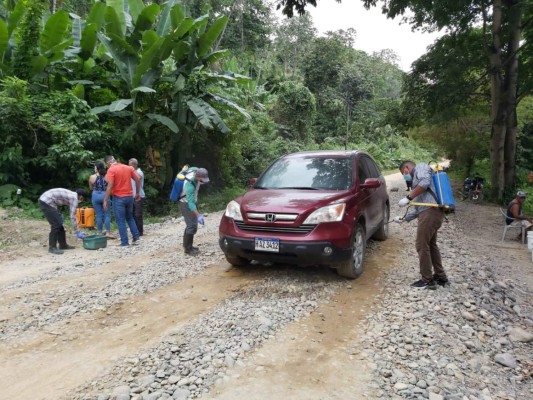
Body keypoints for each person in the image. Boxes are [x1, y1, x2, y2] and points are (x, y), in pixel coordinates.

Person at [393, 160, 449, 289]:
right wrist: (403, 218)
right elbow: (418, 208)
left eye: (404, 173)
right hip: (432, 212)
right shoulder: (416, 185)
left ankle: (427, 280)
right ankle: (441, 277)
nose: (405, 176)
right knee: (431, 245)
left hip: (430, 213)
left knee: (421, 245)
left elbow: (425, 182)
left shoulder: (420, 167)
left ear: (407, 167)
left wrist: (408, 197)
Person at [103, 155, 141, 247]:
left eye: (106, 165)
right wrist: (137, 193)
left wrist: (105, 199)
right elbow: (138, 178)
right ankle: (136, 238)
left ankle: (124, 242)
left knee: (120, 220)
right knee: (130, 217)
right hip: (129, 197)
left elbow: (110, 185)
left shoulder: (111, 170)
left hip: (119, 198)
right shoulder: (128, 168)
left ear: (108, 163)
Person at [38, 188, 88, 254]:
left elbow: (55, 200)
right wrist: (77, 231)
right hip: (46, 201)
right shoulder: (74, 199)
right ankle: (52, 247)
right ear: (81, 196)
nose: (81, 201)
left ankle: (63, 245)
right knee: (56, 224)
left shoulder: (72, 195)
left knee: (59, 223)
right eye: (82, 199)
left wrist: (57, 214)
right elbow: (73, 217)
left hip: (48, 201)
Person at [179, 167, 209, 255]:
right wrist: (198, 215)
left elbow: (191, 167)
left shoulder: (195, 170)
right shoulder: (190, 186)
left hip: (191, 201)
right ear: (197, 176)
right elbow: (191, 204)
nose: (203, 182)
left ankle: (187, 245)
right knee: (191, 226)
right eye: (202, 180)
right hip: (185, 203)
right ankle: (188, 249)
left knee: (191, 225)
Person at [89, 162, 114, 238]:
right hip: (105, 195)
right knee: (107, 214)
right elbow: (110, 186)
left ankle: (99, 232)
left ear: (96, 168)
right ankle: (107, 232)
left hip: (95, 195)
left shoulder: (91, 177)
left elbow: (91, 188)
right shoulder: (107, 176)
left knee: (98, 215)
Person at [129, 158, 145, 236]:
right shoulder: (130, 172)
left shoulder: (139, 172)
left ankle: (140, 231)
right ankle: (135, 231)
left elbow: (138, 178)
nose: (129, 166)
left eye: (131, 164)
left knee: (138, 214)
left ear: (135, 164)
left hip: (139, 195)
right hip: (131, 196)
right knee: (132, 214)